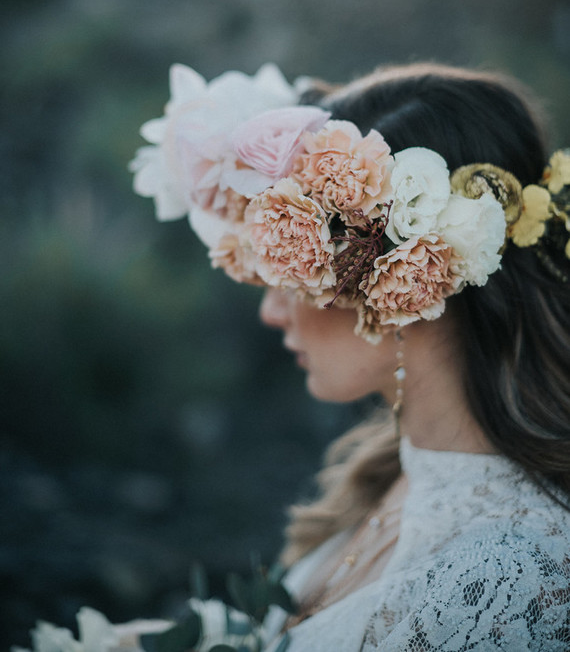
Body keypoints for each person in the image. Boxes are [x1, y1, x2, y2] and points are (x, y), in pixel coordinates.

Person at [130, 61, 570, 650]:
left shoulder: (509, 581)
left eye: (291, 271)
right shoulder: (386, 478)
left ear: (404, 279)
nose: (271, 312)